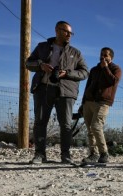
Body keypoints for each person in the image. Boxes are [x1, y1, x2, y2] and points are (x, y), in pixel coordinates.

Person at [26, 21, 89, 164]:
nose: (69, 35)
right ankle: (39, 155)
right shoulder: (42, 47)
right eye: (66, 31)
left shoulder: (75, 52)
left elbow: (85, 72)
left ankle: (66, 156)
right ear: (56, 30)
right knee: (40, 122)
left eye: (70, 33)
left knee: (66, 124)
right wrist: (41, 65)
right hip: (43, 89)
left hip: (66, 92)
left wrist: (67, 73)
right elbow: (28, 63)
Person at [80, 47, 122, 164]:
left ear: (111, 57)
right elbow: (87, 86)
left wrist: (105, 68)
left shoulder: (116, 69)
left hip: (103, 102)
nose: (103, 57)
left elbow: (112, 81)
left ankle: (104, 153)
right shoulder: (94, 70)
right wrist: (83, 103)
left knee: (96, 126)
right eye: (101, 55)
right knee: (90, 130)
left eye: (105, 55)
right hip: (88, 102)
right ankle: (94, 154)